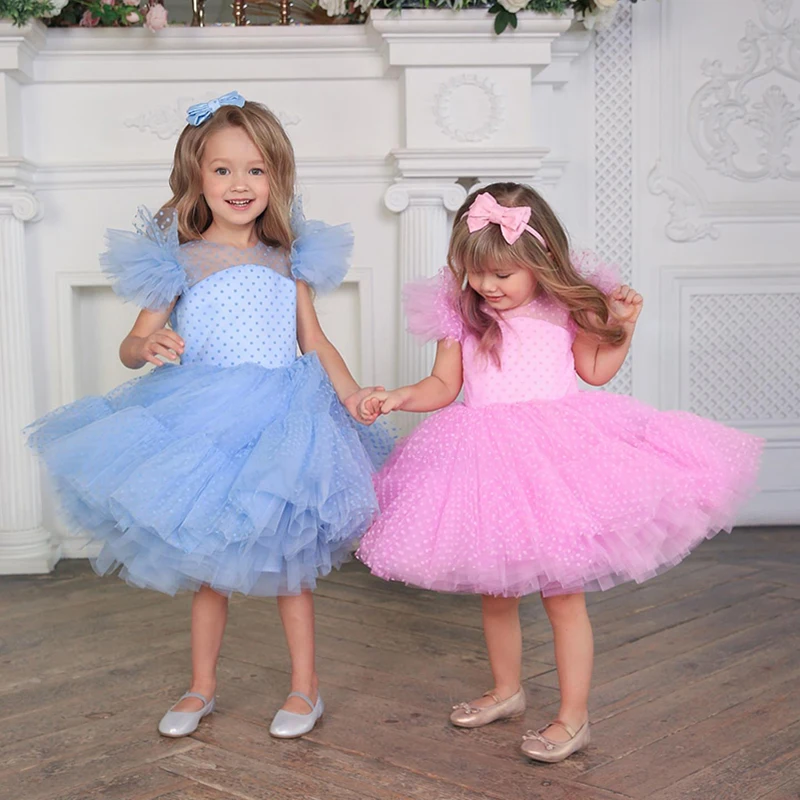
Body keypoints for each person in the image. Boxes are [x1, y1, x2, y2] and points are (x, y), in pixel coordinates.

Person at [26, 92, 391, 741]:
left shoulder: (288, 259)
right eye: (223, 169)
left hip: (282, 423)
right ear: (197, 176)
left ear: (275, 176)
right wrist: (148, 346)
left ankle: (304, 687)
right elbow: (131, 345)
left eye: (255, 169)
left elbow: (315, 341)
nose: (239, 184)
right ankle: (201, 686)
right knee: (208, 568)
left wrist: (352, 395)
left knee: (290, 566)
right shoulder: (181, 261)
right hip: (207, 423)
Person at [356, 182, 762, 762]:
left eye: (502, 274)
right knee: (495, 590)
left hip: (556, 461)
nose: (487, 286)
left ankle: (574, 716)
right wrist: (400, 396)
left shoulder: (565, 307)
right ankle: (507, 690)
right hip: (484, 460)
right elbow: (443, 385)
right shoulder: (463, 314)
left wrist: (624, 325)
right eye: (476, 272)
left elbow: (594, 370)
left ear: (539, 260)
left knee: (563, 595)